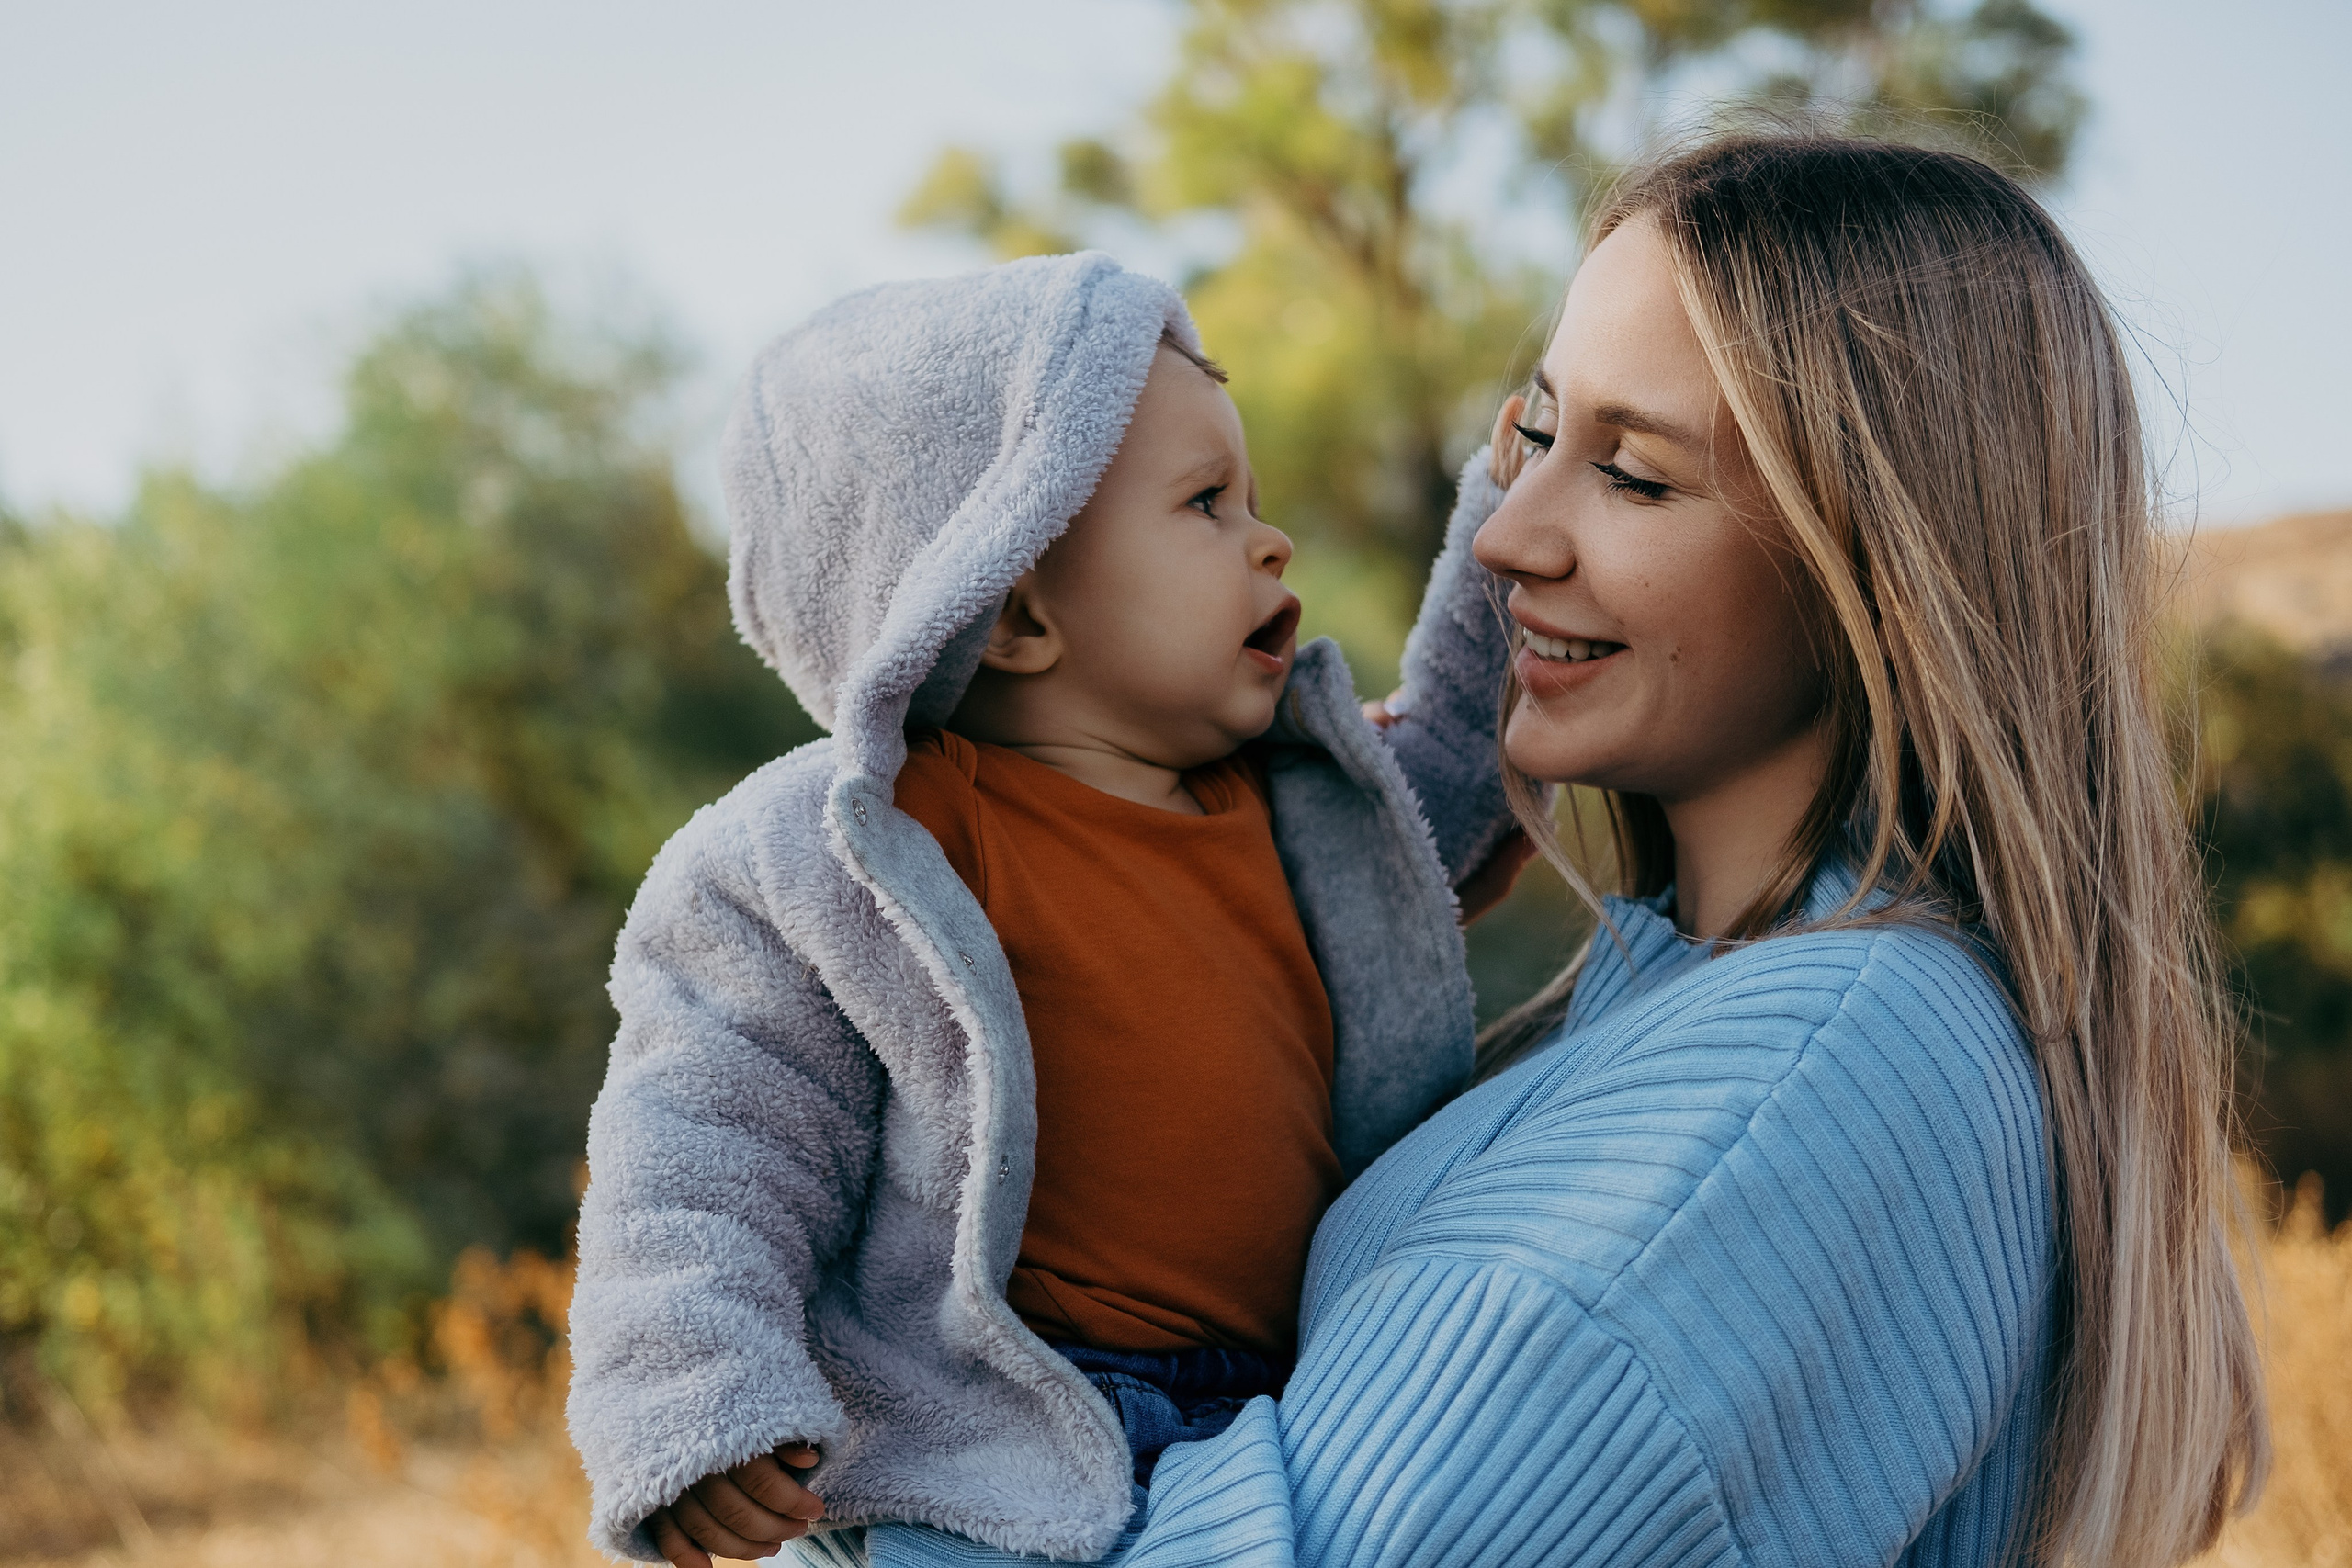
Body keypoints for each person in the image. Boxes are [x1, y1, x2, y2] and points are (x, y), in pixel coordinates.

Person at [869, 132, 2268, 1568]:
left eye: (1636, 478)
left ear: (1881, 565)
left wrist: (858, 1470)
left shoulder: (1792, 1089)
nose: (1507, 537)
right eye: (1534, 439)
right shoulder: (1679, 1011)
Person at [562, 252, 1525, 1566]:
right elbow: (707, 1145)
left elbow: (1461, 763)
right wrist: (692, 1399)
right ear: (1013, 606)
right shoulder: (853, 854)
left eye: (1251, 498)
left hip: (1278, 1411)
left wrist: (1509, 512)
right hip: (976, 1446)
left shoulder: (1303, 800)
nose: (1270, 539)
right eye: (1204, 503)